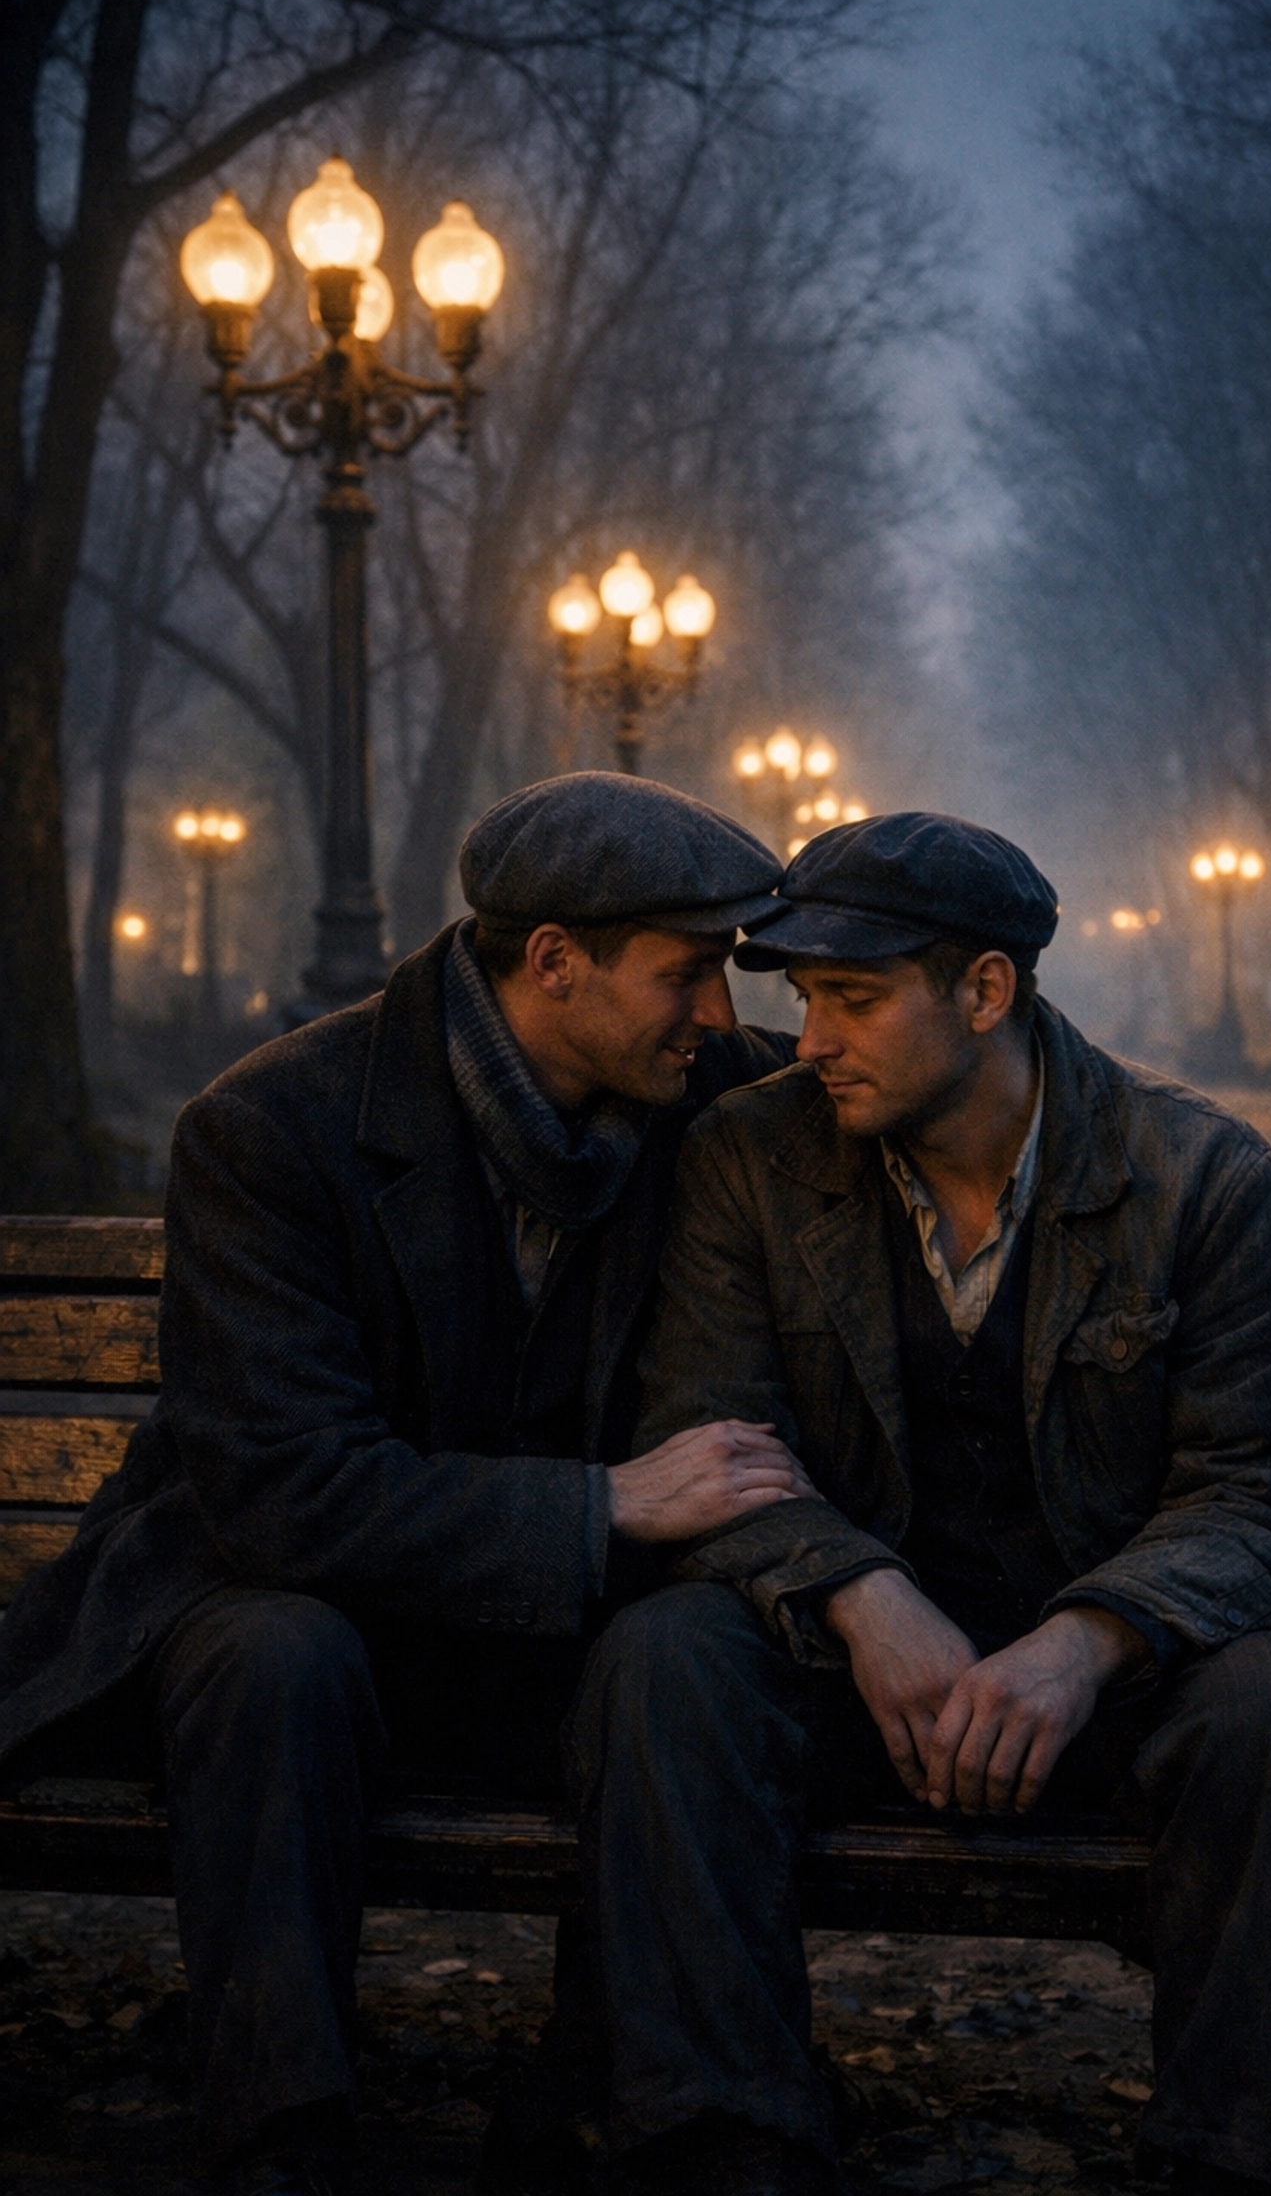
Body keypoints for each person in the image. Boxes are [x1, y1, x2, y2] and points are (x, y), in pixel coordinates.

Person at [569, 811, 1271, 2196]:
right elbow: (706, 1438)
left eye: (853, 1002)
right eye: (802, 1002)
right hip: (859, 1673)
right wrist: (862, 1598)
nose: (809, 1044)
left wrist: (1086, 1642)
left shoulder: (1200, 1176)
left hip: (1136, 1676)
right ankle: (725, 2142)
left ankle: (1225, 2161)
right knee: (664, 1661)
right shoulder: (752, 1154)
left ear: (986, 992)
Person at [0, 773, 804, 2196]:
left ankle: (661, 2108)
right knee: (270, 1654)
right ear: (554, 961)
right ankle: (278, 2128)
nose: (721, 1018)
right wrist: (602, 1505)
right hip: (298, 1597)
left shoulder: (715, 1104)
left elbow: (920, 1065)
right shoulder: (271, 1128)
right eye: (687, 977)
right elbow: (284, 1491)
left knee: (683, 1650)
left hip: (562, 1640)